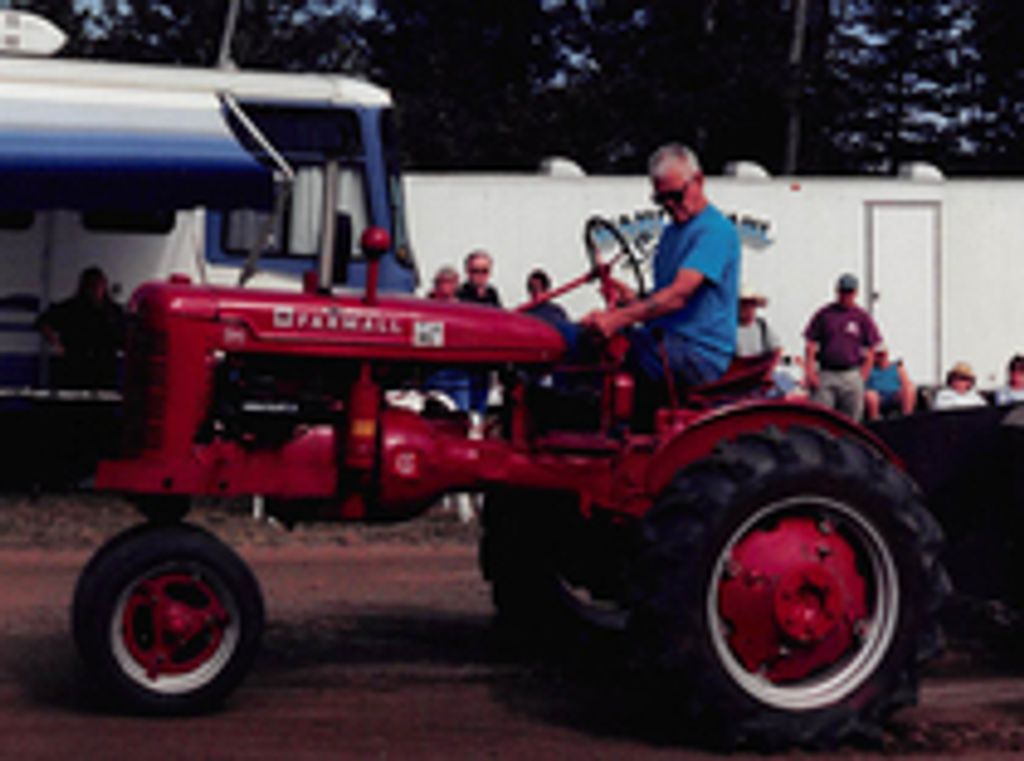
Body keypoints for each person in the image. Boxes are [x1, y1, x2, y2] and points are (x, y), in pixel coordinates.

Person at [581, 143, 740, 392]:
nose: (669, 204)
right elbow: (663, 298)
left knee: (613, 354)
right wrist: (631, 299)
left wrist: (616, 319)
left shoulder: (714, 231)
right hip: (668, 341)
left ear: (698, 181)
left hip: (697, 352)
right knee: (582, 340)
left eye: (675, 195)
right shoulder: (671, 234)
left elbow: (678, 297)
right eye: (661, 198)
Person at [803, 273, 881, 421]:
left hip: (851, 374)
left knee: (851, 419)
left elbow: (872, 348)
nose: (846, 296)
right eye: (843, 291)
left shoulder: (861, 317)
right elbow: (810, 344)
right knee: (820, 417)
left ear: (855, 293)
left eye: (849, 292)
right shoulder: (825, 314)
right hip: (827, 373)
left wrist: (863, 374)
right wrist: (810, 372)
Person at [36, 266, 125, 388]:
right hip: (76, 367)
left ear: (104, 286)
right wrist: (57, 344)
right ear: (84, 287)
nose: (95, 291)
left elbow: (124, 337)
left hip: (104, 369)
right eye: (91, 286)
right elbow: (42, 322)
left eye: (98, 286)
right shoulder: (72, 308)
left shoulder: (113, 312)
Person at [864, 345, 916, 419]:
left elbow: (906, 383)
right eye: (878, 355)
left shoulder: (897, 367)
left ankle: (907, 417)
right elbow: (862, 382)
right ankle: (875, 420)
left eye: (883, 354)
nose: (881, 357)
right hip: (878, 397)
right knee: (871, 396)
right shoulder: (869, 369)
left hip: (894, 396)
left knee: (909, 388)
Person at [735, 284, 780, 358]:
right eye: (745, 305)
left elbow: (777, 350)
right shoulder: (728, 329)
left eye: (752, 305)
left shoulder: (762, 326)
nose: (749, 310)